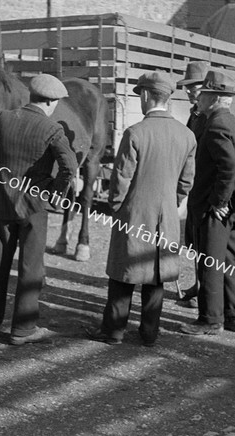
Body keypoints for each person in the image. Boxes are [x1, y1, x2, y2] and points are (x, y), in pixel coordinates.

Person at [0, 73, 78, 345]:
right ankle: (22, 330)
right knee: (30, 267)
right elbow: (70, 167)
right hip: (34, 208)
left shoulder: (3, 119)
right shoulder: (53, 129)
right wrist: (54, 193)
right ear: (49, 102)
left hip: (1, 203)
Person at [86, 71, 196, 347]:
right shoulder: (187, 135)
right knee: (156, 273)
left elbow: (121, 178)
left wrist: (115, 208)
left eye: (140, 96)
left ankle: (113, 330)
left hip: (133, 214)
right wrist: (172, 203)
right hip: (166, 215)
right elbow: (186, 181)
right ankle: (149, 333)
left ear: (146, 96)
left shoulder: (135, 133)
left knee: (124, 273)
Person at [179, 70, 235, 336]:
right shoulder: (231, 122)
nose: (199, 98)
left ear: (216, 97)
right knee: (227, 261)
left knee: (209, 261)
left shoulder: (216, 125)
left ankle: (210, 320)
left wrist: (218, 201)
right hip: (233, 206)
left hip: (216, 208)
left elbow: (229, 168)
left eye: (204, 93)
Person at [176, 61, 210, 308]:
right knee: (194, 238)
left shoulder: (208, 116)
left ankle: (204, 293)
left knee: (205, 242)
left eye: (194, 87)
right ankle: (198, 286)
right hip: (195, 184)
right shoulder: (195, 113)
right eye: (187, 87)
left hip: (206, 186)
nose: (189, 91)